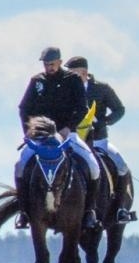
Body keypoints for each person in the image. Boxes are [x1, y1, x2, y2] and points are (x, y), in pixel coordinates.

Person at [16, 47, 99, 230]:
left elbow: (82, 108)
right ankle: (23, 212)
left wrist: (68, 128)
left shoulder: (73, 80)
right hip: (41, 138)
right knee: (20, 165)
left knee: (92, 165)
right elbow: (24, 108)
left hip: (67, 133)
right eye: (46, 64)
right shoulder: (37, 81)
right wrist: (29, 132)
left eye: (52, 64)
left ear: (60, 62)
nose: (49, 67)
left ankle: (89, 211)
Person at [65, 56, 132, 226]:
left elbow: (120, 109)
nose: (69, 77)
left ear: (84, 73)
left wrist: (105, 121)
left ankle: (121, 208)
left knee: (121, 165)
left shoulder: (101, 89)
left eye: (73, 73)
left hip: (99, 141)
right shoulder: (66, 90)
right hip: (73, 141)